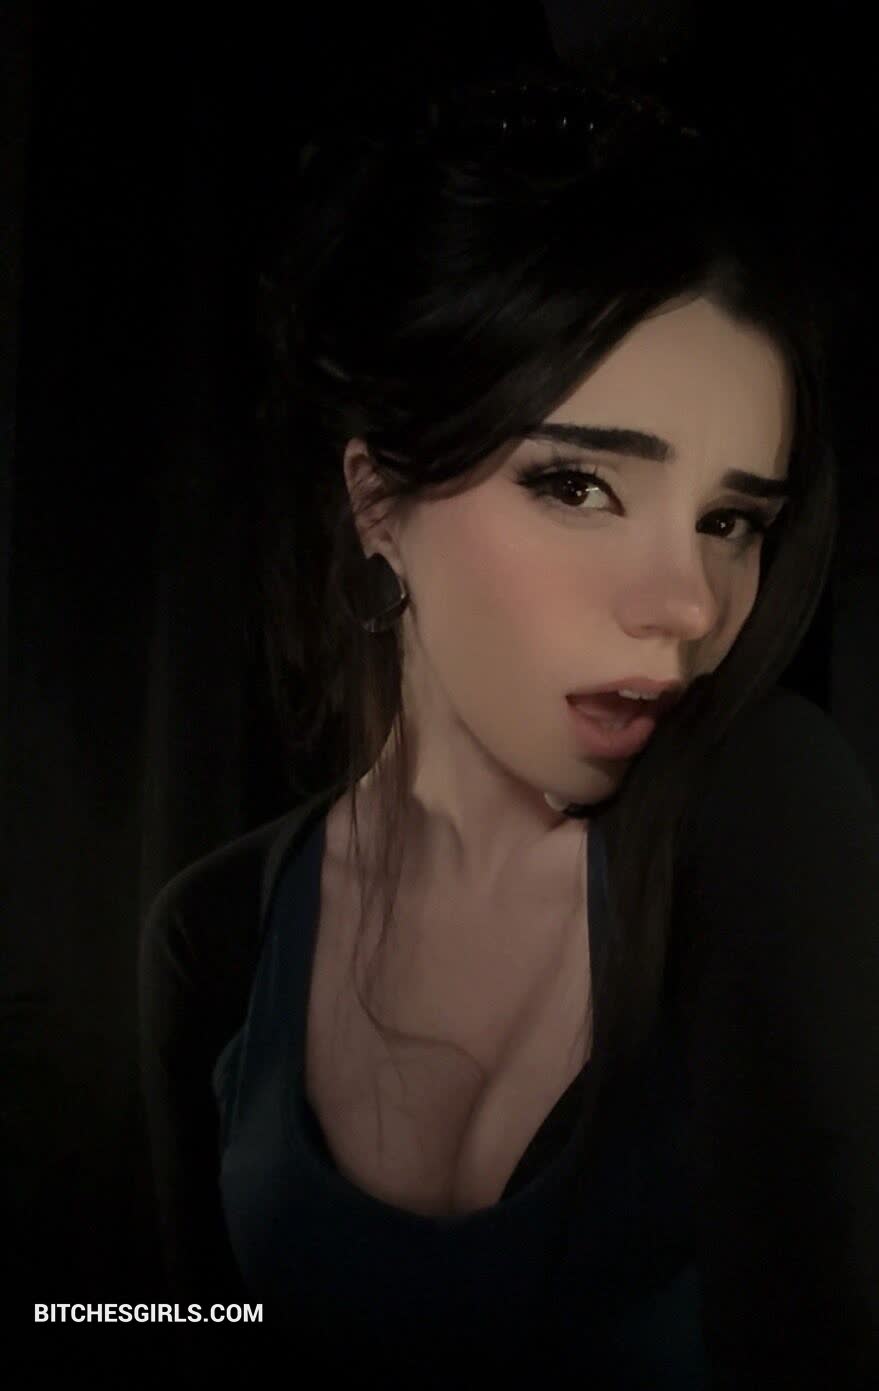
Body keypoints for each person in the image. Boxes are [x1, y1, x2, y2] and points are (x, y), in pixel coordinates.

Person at [137, 59, 879, 1386]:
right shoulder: (216, 938)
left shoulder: (764, 824)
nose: (689, 605)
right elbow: (188, 1331)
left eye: (731, 520)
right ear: (378, 500)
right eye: (582, 486)